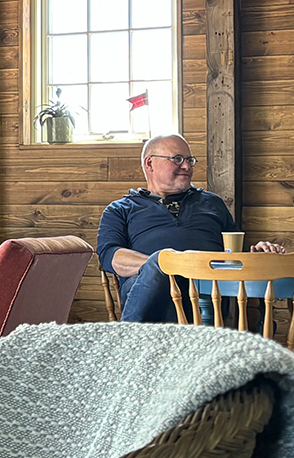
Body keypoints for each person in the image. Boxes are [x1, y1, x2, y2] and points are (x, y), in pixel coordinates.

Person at [96, 134, 281, 323]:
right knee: (160, 265)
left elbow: (233, 252)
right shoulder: (121, 209)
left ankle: (129, 338)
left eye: (189, 160)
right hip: (149, 293)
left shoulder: (212, 203)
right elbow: (110, 255)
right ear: (150, 163)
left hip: (208, 292)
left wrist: (256, 253)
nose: (186, 166)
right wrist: (166, 265)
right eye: (177, 159)